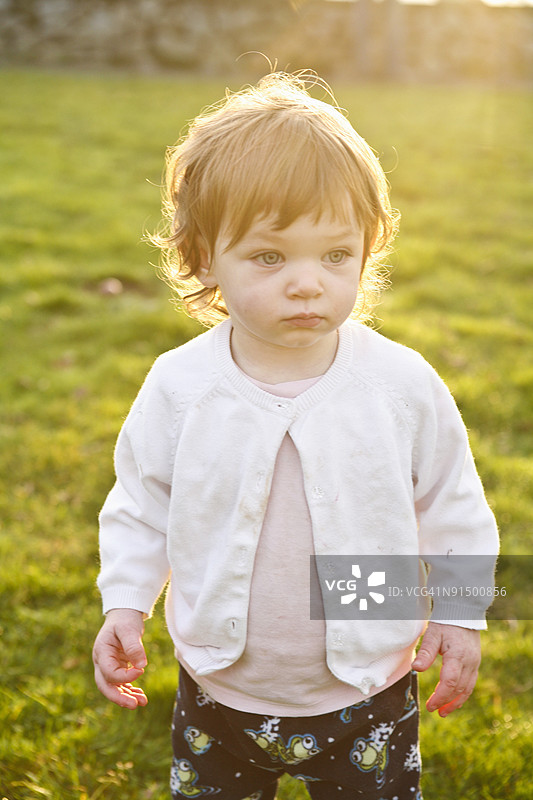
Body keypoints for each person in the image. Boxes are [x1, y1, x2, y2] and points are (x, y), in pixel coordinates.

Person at [92, 71, 499, 800]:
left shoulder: (398, 385)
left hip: (367, 681)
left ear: (368, 248)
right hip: (219, 683)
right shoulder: (181, 386)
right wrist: (125, 601)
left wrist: (462, 615)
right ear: (203, 257)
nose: (307, 283)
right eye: (269, 257)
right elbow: (141, 502)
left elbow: (453, 503)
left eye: (335, 255)